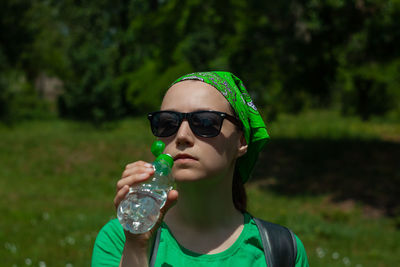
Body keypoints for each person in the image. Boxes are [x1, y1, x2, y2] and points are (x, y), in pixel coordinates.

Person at [92, 71, 309, 266]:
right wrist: (136, 246)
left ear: (242, 141)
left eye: (205, 122)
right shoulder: (119, 240)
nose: (182, 136)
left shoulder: (282, 250)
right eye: (167, 123)